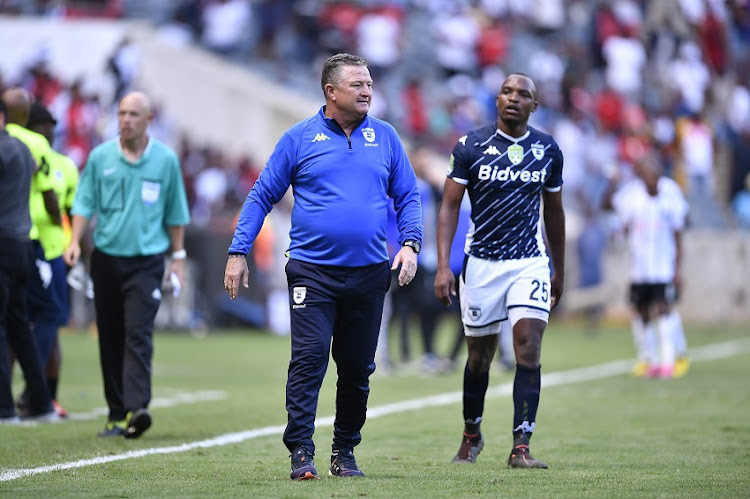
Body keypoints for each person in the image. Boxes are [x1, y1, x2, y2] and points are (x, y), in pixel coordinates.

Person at [223, 53, 423, 480]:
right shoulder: (298, 138)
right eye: (357, 85)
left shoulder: (385, 137)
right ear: (331, 92)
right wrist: (238, 251)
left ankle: (344, 451)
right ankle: (301, 451)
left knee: (356, 369)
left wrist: (410, 244)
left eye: (369, 83)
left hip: (370, 272)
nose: (367, 91)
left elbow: (408, 196)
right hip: (312, 271)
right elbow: (261, 195)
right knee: (309, 359)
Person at [434, 73, 566, 469]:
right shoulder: (470, 145)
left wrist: (558, 268)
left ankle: (521, 446)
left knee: (527, 343)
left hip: (529, 261)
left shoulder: (547, 150)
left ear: (534, 106)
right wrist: (444, 266)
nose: (514, 98)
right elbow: (448, 207)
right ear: (496, 100)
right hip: (482, 265)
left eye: (523, 94)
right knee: (479, 358)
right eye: (508, 92)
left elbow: (554, 212)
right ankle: (471, 433)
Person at [63, 91, 190, 438]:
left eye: (134, 114)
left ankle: (138, 408)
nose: (126, 120)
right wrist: (74, 241)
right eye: (121, 113)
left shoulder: (165, 160)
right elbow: (84, 202)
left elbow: (176, 213)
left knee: (138, 332)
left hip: (147, 262)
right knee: (111, 336)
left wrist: (177, 258)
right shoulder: (100, 156)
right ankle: (116, 414)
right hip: (105, 259)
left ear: (149, 120)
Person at [602, 153, 689, 379]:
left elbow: (679, 232)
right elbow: (607, 206)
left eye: (655, 175)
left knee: (663, 309)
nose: (652, 180)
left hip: (663, 267)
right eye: (647, 176)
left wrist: (678, 269)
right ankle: (648, 359)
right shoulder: (632, 195)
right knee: (641, 312)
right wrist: (611, 182)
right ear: (640, 176)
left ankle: (670, 359)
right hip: (640, 268)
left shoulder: (671, 194)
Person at [0, 99, 56, 423]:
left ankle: (5, 407)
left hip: (3, 240)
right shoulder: (24, 149)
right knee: (20, 326)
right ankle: (43, 402)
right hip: (23, 244)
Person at [25, 101, 79, 417]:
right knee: (40, 319)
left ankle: (46, 396)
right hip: (32, 246)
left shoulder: (66, 166)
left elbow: (75, 211)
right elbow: (53, 207)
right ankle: (32, 394)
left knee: (51, 321)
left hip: (53, 251)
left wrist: (78, 249)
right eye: (47, 124)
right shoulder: (25, 152)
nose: (52, 130)